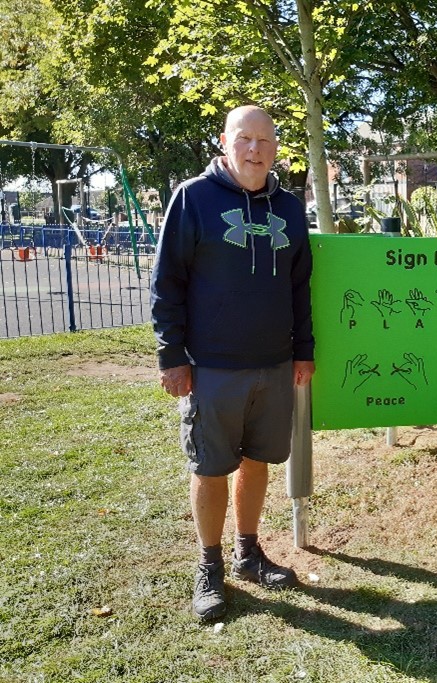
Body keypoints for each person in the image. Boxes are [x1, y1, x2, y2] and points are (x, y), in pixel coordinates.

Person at [150, 105, 315, 620]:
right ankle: (209, 565)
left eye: (265, 141)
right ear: (225, 141)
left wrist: (303, 349)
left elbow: (299, 285)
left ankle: (248, 552)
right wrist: (172, 356)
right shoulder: (193, 199)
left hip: (273, 363)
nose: (255, 150)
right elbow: (166, 284)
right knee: (210, 466)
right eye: (245, 139)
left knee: (258, 460)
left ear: (275, 147)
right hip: (211, 367)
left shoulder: (288, 208)